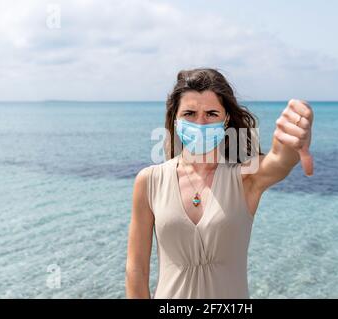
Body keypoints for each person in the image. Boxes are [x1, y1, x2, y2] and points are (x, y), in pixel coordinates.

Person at [125, 68, 314, 299]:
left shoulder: (245, 178)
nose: (201, 123)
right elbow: (136, 269)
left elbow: (280, 160)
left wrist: (294, 138)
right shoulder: (150, 180)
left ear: (225, 120)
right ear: (175, 118)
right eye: (190, 114)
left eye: (211, 113)